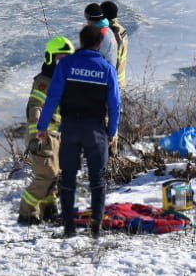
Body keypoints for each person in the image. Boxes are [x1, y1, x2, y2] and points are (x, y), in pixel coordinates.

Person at [36, 24, 122, 238]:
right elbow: (115, 105)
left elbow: (53, 97)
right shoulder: (107, 68)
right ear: (100, 44)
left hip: (71, 128)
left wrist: (42, 126)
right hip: (96, 130)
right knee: (98, 179)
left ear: (81, 41)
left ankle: (69, 227)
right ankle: (96, 226)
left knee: (68, 178)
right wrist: (112, 131)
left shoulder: (66, 64)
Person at [20, 36, 74, 224]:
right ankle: (26, 213)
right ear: (50, 58)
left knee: (55, 174)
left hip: (56, 136)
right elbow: (35, 107)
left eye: (68, 58)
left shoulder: (64, 80)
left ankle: (49, 209)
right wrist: (37, 135)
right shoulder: (44, 81)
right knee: (46, 176)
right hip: (42, 136)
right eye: (60, 58)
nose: (64, 62)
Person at [100, 0, 130, 88]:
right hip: (119, 81)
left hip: (112, 83)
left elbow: (114, 58)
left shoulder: (112, 33)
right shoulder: (121, 29)